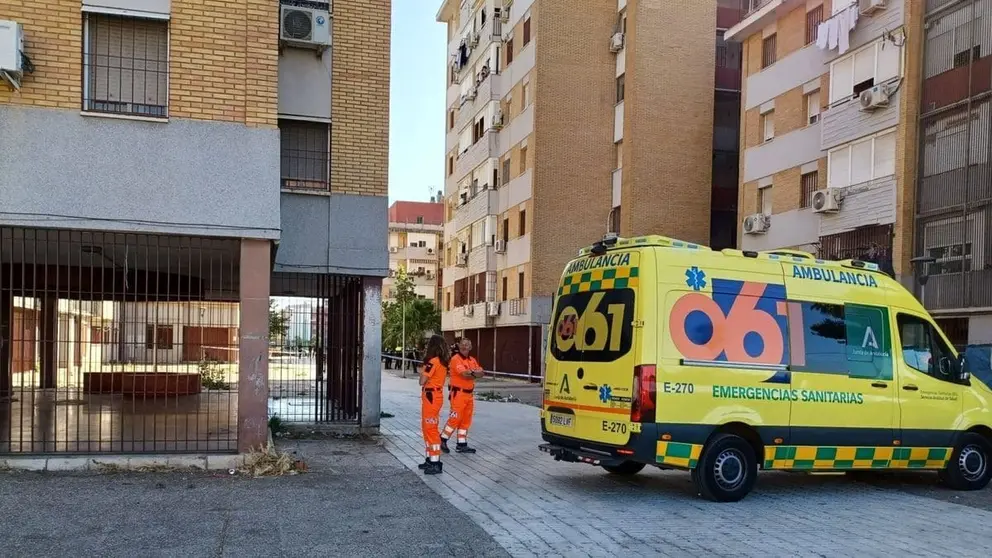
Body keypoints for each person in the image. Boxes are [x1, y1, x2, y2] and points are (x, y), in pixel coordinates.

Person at [441, 337, 485, 454]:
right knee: (455, 419)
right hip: (458, 394)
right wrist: (474, 373)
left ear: (471, 347)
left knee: (466, 420)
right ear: (459, 346)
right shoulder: (456, 359)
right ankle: (443, 439)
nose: (465, 346)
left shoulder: (472, 360)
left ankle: (461, 444)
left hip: (469, 394)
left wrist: (472, 373)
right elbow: (465, 374)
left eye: (467, 344)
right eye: (463, 344)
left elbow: (482, 373)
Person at [418, 335, 450, 475]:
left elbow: (422, 380)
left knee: (430, 428)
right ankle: (430, 458)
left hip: (431, 396)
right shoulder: (441, 362)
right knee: (427, 427)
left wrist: (422, 370)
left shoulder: (432, 362)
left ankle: (435, 462)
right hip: (434, 395)